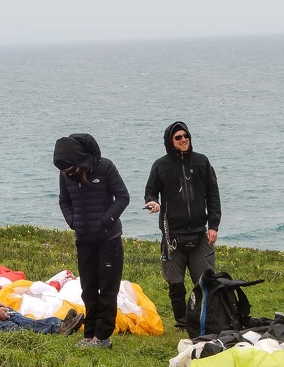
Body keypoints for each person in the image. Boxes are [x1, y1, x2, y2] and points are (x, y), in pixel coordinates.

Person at [53, 133, 130, 349]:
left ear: (79, 161)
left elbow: (123, 196)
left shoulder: (105, 167)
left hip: (109, 240)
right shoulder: (66, 175)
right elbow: (64, 201)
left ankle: (103, 337)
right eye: (63, 171)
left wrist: (106, 220)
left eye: (69, 169)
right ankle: (89, 335)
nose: (67, 174)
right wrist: (73, 221)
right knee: (88, 289)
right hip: (84, 240)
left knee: (107, 290)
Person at [144, 121, 221, 330]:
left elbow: (213, 195)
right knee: (175, 283)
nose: (183, 140)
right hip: (172, 235)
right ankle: (182, 321)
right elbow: (150, 191)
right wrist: (153, 202)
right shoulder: (160, 165)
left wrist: (213, 226)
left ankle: (203, 318)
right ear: (170, 141)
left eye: (186, 136)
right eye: (178, 137)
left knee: (206, 281)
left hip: (199, 233)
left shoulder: (202, 162)